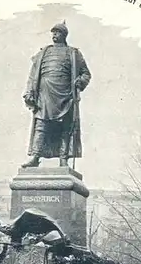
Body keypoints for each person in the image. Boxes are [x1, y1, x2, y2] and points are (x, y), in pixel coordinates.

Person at [22, 21, 91, 168]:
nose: (54, 35)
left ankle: (63, 158)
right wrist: (29, 92)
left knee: (65, 128)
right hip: (44, 95)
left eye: (58, 32)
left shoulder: (74, 53)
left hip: (65, 96)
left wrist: (80, 81)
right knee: (41, 125)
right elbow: (33, 75)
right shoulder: (43, 53)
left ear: (64, 35)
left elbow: (86, 74)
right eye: (53, 32)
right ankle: (35, 157)